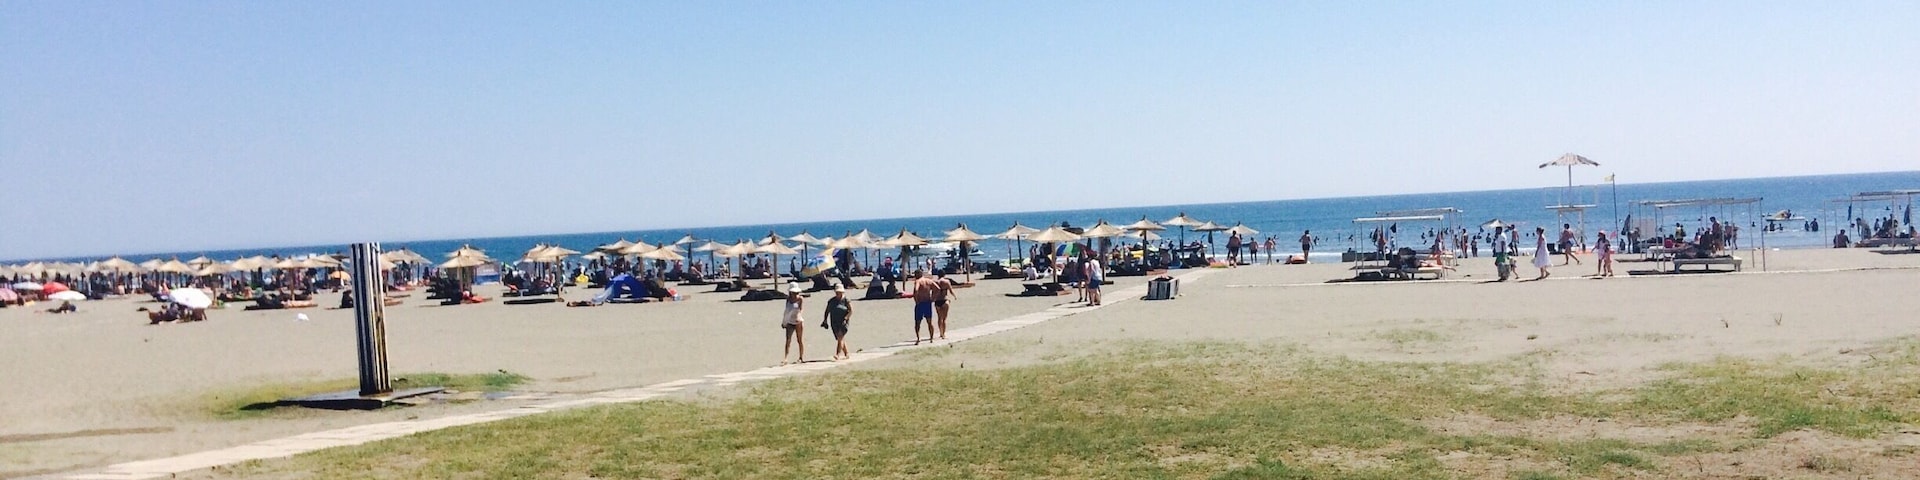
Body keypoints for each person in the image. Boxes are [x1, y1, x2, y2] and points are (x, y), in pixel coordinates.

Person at [821, 286, 853, 361]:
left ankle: (838, 354)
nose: (838, 294)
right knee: (839, 338)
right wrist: (825, 320)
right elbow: (827, 311)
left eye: (839, 292)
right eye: (837, 292)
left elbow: (851, 311)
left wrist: (846, 318)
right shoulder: (831, 301)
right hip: (834, 321)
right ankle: (846, 353)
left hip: (843, 321)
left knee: (840, 336)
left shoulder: (846, 300)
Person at [910, 270, 939, 345]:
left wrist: (916, 300)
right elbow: (937, 288)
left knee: (917, 322)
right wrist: (933, 298)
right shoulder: (929, 281)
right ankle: (931, 338)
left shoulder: (918, 281)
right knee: (929, 322)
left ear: (918, 274)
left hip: (920, 303)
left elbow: (916, 290)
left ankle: (918, 338)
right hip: (928, 302)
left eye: (915, 274)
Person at [780, 285, 806, 365]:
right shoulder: (788, 299)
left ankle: (801, 357)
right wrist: (784, 321)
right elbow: (787, 311)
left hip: (798, 321)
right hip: (790, 321)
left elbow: (801, 309)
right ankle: (785, 358)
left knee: (799, 340)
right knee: (788, 340)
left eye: (796, 292)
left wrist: (799, 316)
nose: (794, 294)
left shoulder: (800, 298)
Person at [933, 274, 956, 339]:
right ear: (944, 275)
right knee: (944, 319)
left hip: (937, 300)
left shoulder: (936, 282)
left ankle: (940, 333)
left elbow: (933, 292)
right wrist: (954, 296)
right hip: (944, 300)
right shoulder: (947, 282)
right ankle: (944, 334)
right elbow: (951, 291)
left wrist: (932, 298)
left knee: (939, 318)